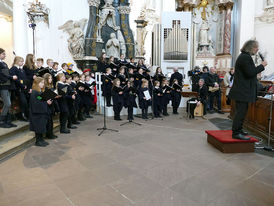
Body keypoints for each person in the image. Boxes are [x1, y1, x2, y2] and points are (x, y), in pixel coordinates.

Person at [229, 40, 267, 140]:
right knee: (240, 113)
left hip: (242, 91)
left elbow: (249, 73)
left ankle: (239, 130)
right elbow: (250, 73)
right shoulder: (245, 57)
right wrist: (262, 66)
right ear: (250, 47)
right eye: (256, 47)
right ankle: (236, 133)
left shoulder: (245, 56)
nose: (257, 49)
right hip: (242, 91)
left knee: (242, 112)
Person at [29, 77, 51, 147]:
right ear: (36, 83)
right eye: (41, 83)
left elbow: (39, 99)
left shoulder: (38, 92)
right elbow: (36, 103)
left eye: (43, 83)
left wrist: (45, 101)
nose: (43, 84)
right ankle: (38, 141)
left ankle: (41, 140)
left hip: (41, 113)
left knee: (41, 127)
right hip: (37, 114)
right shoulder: (34, 92)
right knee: (38, 128)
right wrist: (45, 102)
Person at [0, 48, 18, 128]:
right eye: (3, 54)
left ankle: (8, 121)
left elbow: (6, 73)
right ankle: (1, 121)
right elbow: (2, 75)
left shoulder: (4, 63)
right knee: (7, 103)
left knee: (8, 104)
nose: (5, 55)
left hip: (8, 86)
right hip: (2, 86)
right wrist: (11, 77)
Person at [10, 56, 29, 121]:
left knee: (27, 102)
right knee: (23, 102)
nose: (22, 63)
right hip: (18, 89)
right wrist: (22, 86)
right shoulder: (13, 69)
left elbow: (25, 79)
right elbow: (16, 80)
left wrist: (26, 86)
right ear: (17, 61)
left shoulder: (21, 69)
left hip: (24, 89)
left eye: (23, 61)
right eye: (21, 61)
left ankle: (27, 114)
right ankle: (22, 115)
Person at [43, 73, 58, 139]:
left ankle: (51, 133)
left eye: (51, 78)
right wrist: (46, 101)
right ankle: (49, 134)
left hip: (51, 105)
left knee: (51, 121)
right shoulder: (44, 87)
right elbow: (39, 97)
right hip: (46, 106)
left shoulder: (51, 86)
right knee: (48, 122)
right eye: (49, 78)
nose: (51, 80)